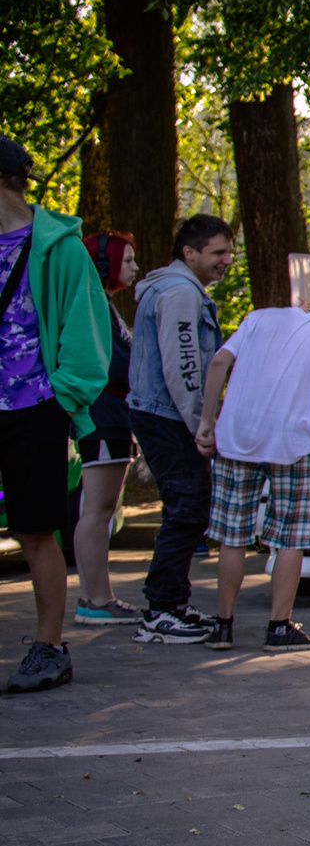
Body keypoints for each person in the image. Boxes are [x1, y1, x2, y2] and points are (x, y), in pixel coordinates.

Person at [193, 303, 310, 650]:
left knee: (232, 537)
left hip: (237, 437)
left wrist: (207, 422)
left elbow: (220, 362)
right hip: (294, 444)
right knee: (290, 539)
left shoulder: (259, 318)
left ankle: (223, 626)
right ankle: (279, 628)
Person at [0, 138, 113, 691]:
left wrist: (60, 399)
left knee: (35, 530)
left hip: (34, 410)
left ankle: (49, 649)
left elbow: (88, 338)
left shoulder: (60, 249)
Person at [129, 213, 235, 644]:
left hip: (161, 415)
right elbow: (184, 366)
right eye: (217, 252)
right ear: (189, 253)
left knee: (187, 509)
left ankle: (171, 602)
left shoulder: (178, 289)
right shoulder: (179, 294)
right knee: (186, 508)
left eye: (229, 251)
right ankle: (161, 611)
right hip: (167, 418)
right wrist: (201, 425)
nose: (226, 260)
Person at [72, 233, 144, 626]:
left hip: (108, 416)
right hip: (104, 416)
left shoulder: (100, 303)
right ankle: (96, 599)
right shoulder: (95, 304)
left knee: (97, 510)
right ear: (106, 264)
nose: (135, 268)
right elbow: (113, 365)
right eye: (129, 260)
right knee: (98, 511)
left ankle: (95, 597)